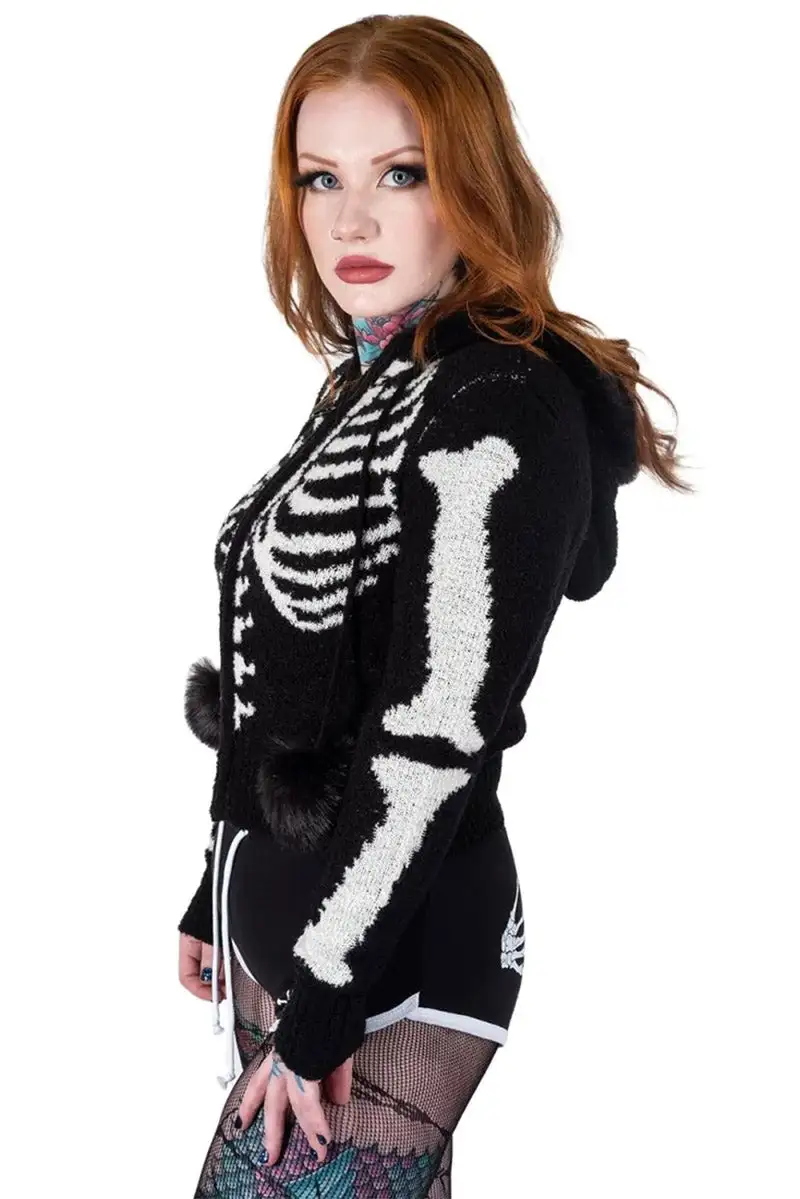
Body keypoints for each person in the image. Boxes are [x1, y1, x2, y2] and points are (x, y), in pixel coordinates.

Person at [176, 14, 690, 1196]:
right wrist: (213, 883)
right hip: (303, 932)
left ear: (474, 184)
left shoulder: (492, 403)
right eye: (321, 178)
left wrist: (323, 1003)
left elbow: (432, 729)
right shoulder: (371, 380)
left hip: (386, 956)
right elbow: (282, 678)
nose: (350, 220)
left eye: (399, 174)